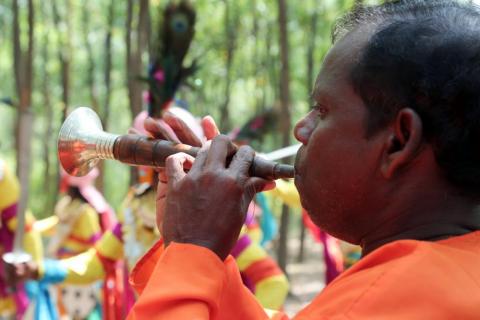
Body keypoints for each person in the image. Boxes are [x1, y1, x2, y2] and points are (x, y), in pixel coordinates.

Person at [126, 1, 480, 319]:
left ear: (399, 141)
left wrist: (192, 247)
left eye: (322, 110)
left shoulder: (379, 302)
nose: (301, 128)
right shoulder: (446, 275)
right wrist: (193, 254)